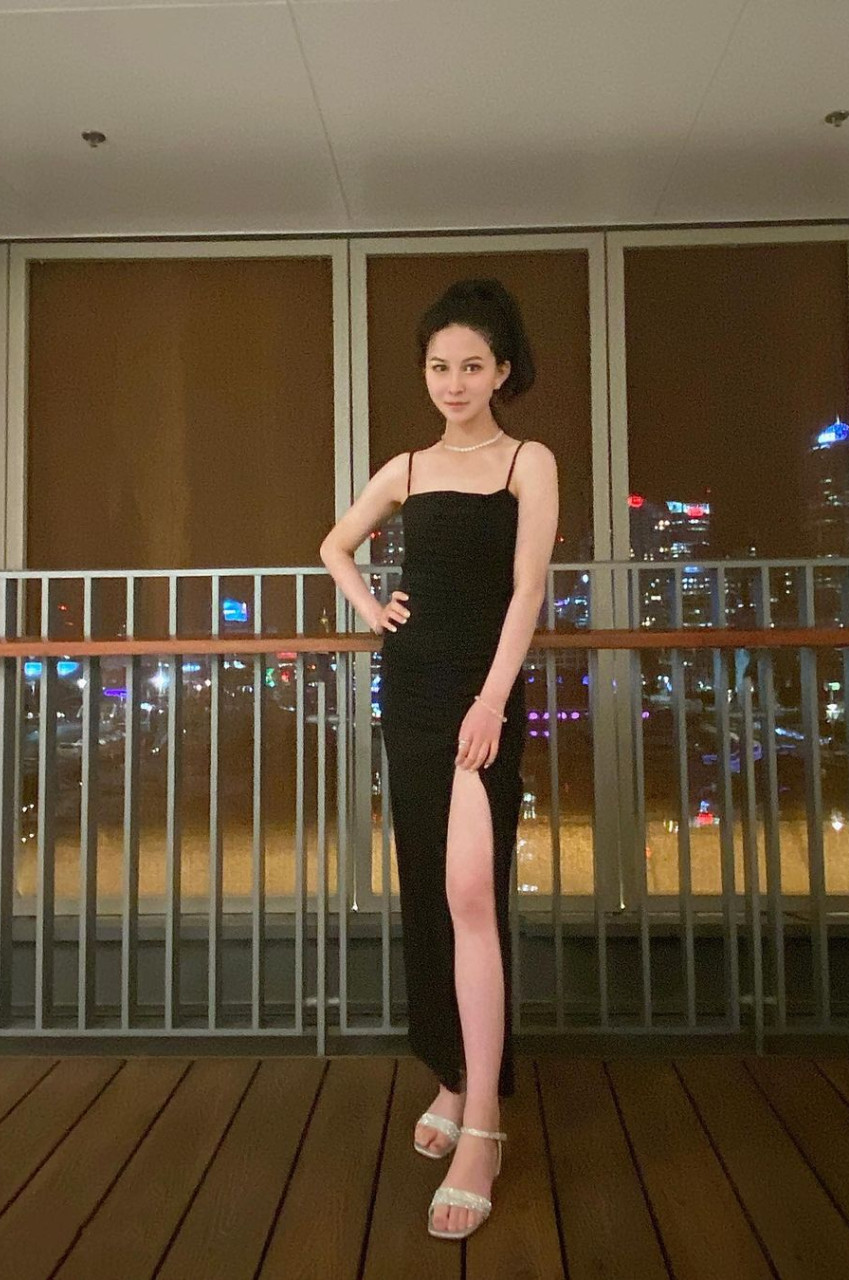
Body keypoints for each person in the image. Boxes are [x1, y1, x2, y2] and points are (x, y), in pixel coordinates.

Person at [319, 278, 558, 1239]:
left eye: (471, 366)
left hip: (480, 691)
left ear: (502, 371)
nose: (453, 382)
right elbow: (334, 545)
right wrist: (374, 610)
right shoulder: (409, 468)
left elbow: (527, 589)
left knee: (471, 891)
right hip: (413, 688)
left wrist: (493, 699)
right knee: (429, 885)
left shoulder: (528, 462)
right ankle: (455, 1076)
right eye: (438, 366)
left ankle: (484, 1120)